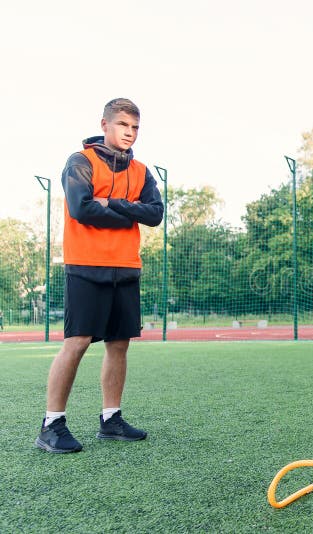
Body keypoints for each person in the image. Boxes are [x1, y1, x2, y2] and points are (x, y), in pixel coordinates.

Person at [35, 98, 164, 454]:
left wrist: (112, 205)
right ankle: (51, 424)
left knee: (119, 343)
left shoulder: (140, 170)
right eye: (123, 124)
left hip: (126, 266)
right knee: (76, 342)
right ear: (105, 124)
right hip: (86, 265)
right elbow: (82, 208)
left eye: (135, 127)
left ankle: (111, 420)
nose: (130, 132)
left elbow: (154, 213)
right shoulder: (81, 161)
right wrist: (128, 212)